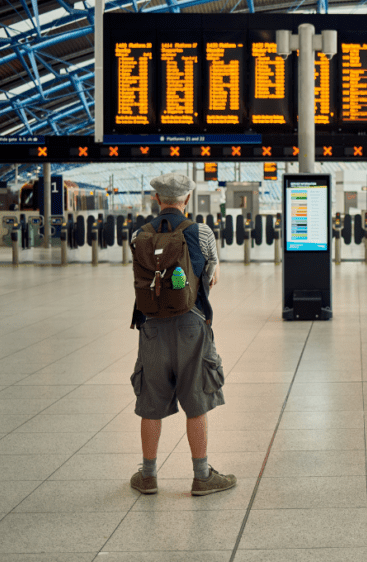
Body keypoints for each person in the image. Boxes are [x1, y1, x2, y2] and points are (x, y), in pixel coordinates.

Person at [128, 173, 235, 496]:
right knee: (197, 399)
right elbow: (211, 276)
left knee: (151, 400)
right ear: (187, 199)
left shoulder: (139, 235)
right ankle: (201, 476)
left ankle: (147, 476)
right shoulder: (201, 233)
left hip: (151, 325)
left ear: (157, 200)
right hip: (191, 324)